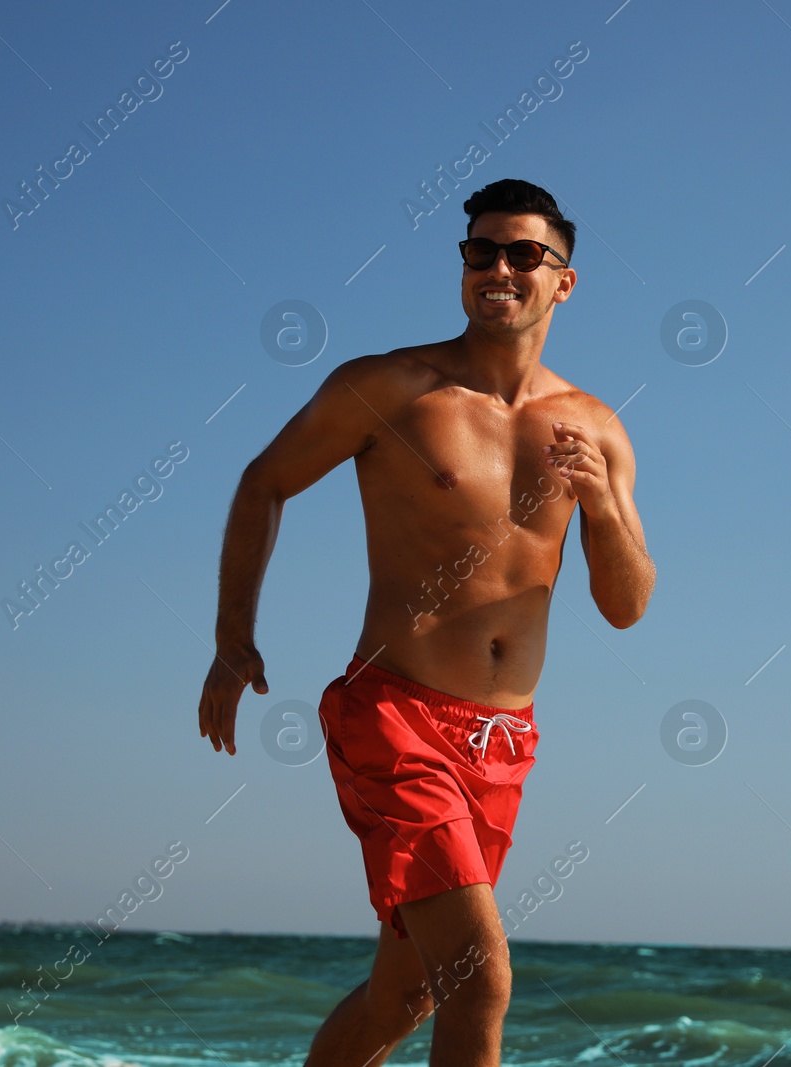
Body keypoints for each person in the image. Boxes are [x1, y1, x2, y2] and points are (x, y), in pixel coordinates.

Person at [197, 178, 654, 1066]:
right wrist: (231, 637)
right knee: (480, 975)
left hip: (502, 740)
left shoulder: (596, 429)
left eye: (525, 254)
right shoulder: (392, 389)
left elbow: (626, 604)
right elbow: (265, 480)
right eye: (480, 251)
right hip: (394, 715)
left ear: (564, 281)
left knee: (406, 994)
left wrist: (602, 503)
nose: (499, 267)